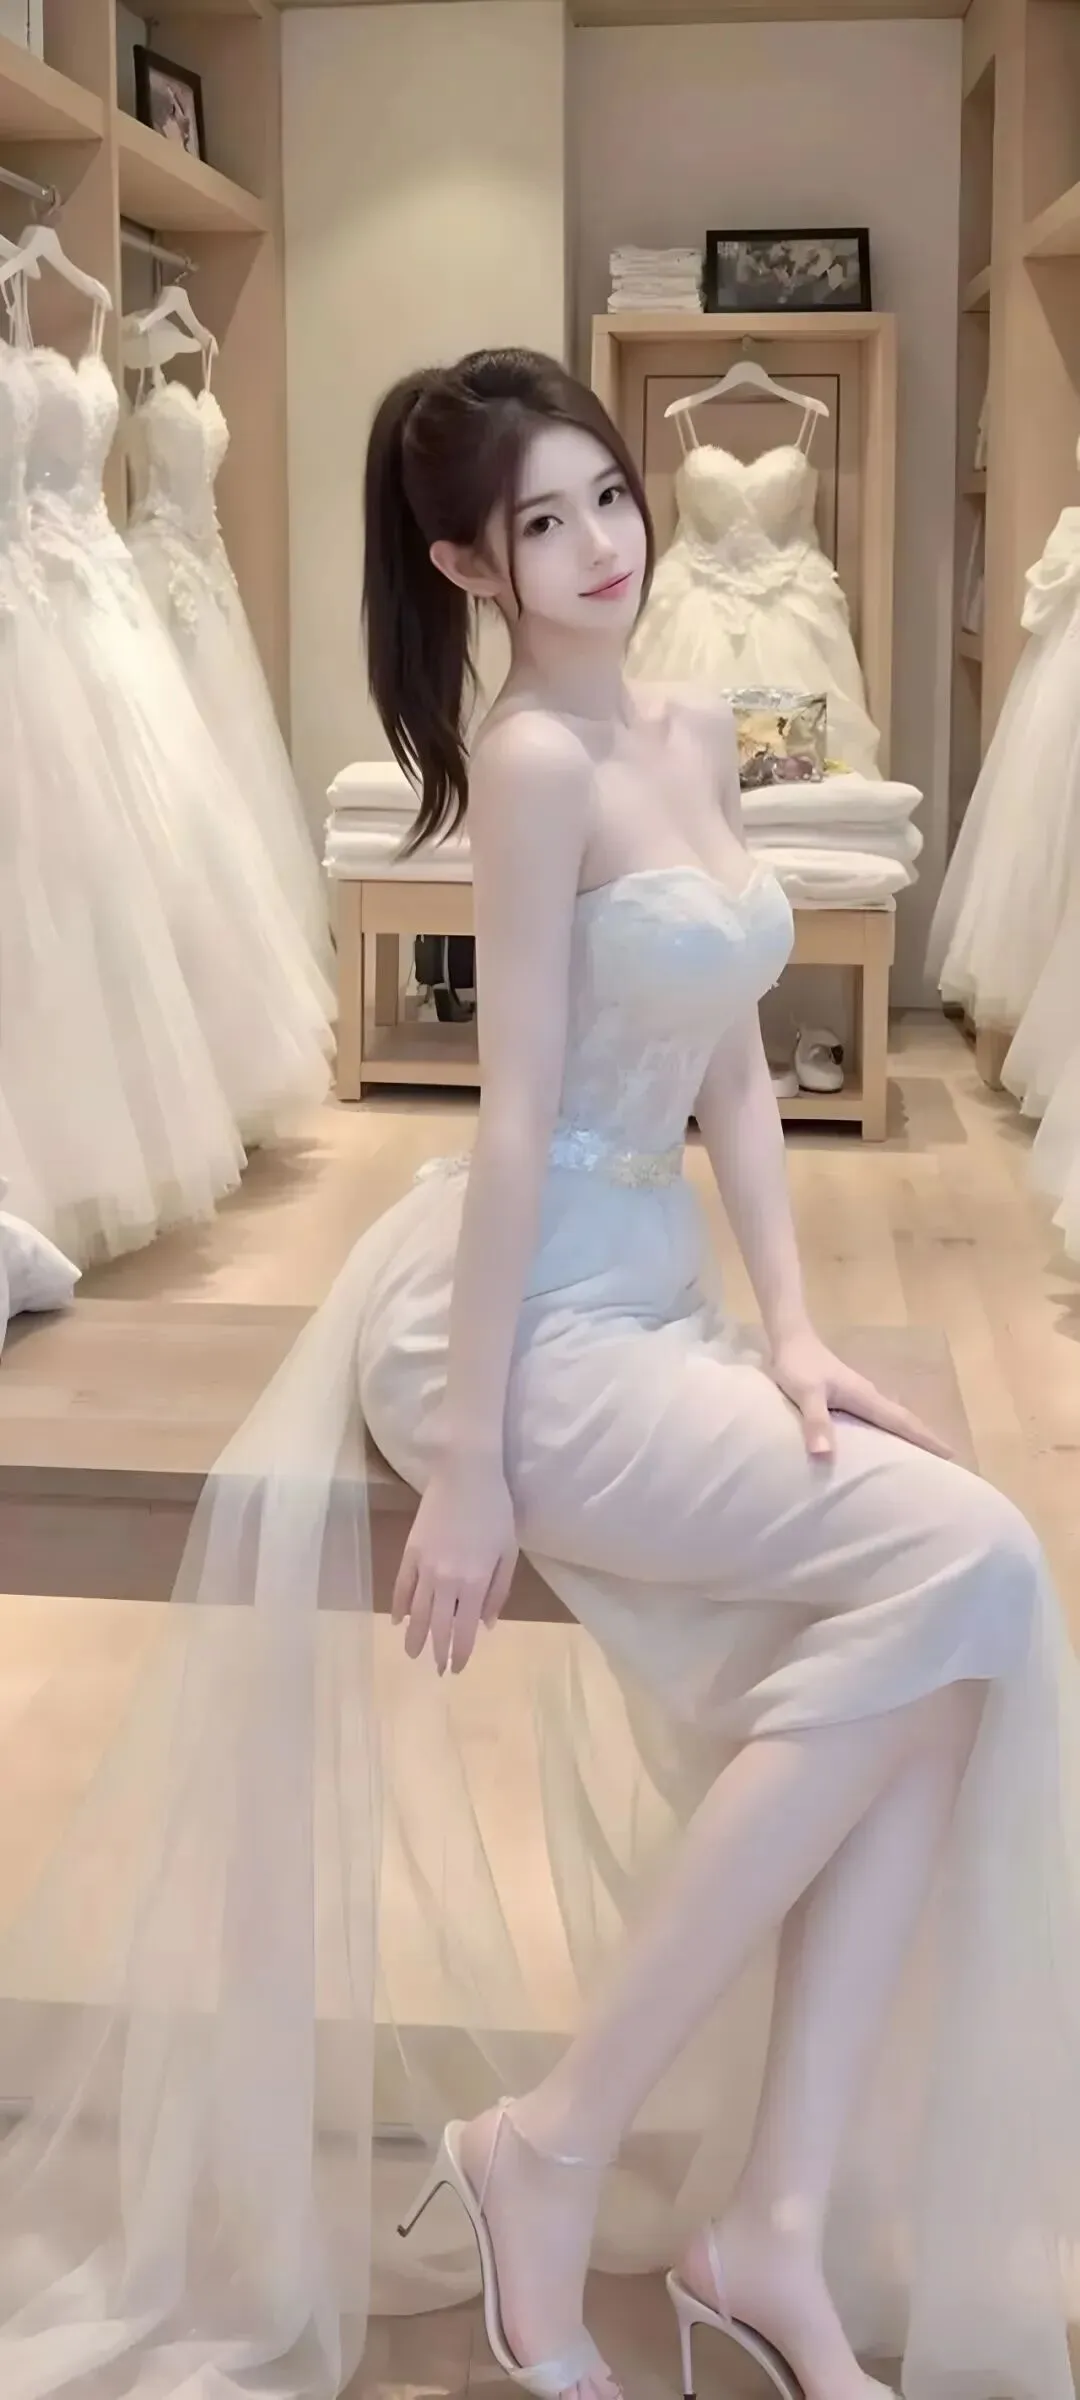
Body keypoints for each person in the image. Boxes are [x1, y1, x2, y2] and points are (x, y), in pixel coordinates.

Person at [0, 348, 1078, 2400]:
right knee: (976, 1573)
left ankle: (761, 2226)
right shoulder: (532, 767)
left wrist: (794, 1328)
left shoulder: (691, 728)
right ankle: (558, 2144)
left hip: (653, 1289)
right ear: (466, 567)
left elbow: (737, 1069)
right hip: (516, 1319)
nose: (600, 546)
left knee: (958, 1626)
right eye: (543, 523)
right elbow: (507, 1123)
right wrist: (478, 1460)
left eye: (609, 497)